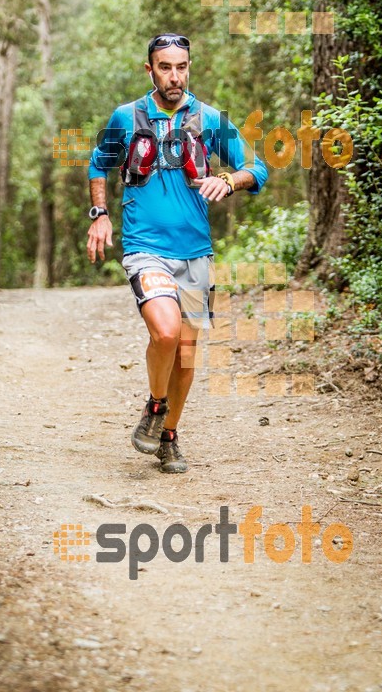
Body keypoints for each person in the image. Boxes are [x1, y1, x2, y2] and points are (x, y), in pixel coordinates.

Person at [86, 33, 268, 474]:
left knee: (186, 352)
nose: (175, 75)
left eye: (181, 66)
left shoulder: (208, 119)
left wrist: (228, 181)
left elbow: (256, 167)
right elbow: (98, 163)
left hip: (195, 252)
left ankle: (168, 435)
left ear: (189, 66)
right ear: (149, 69)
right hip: (145, 248)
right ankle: (155, 404)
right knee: (165, 333)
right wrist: (99, 213)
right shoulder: (126, 117)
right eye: (165, 67)